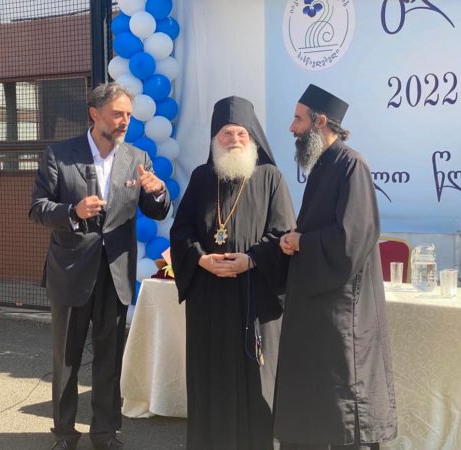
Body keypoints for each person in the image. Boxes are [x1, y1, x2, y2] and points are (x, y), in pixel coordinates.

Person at [29, 82, 170, 450]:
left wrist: (158, 191)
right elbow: (37, 208)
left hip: (116, 273)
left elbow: (157, 210)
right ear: (95, 114)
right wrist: (72, 212)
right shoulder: (60, 154)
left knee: (110, 358)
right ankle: (64, 433)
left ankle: (105, 432)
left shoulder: (137, 157)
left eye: (128, 115)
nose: (124, 121)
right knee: (67, 359)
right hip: (71, 271)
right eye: (117, 114)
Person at [274, 85, 397, 450]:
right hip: (318, 310)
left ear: (320, 121)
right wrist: (294, 239)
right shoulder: (323, 164)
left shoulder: (350, 165)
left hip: (343, 314)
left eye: (298, 119)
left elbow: (351, 240)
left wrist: (302, 242)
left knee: (344, 414)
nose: (291, 128)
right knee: (317, 408)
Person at [170, 96, 295, 450]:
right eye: (226, 133)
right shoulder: (201, 178)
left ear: (252, 138)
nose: (234, 140)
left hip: (255, 296)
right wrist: (200, 259)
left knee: (256, 378)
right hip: (209, 299)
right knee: (211, 376)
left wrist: (251, 260)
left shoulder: (270, 178)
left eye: (241, 133)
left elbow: (284, 234)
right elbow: (181, 231)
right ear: (215, 138)